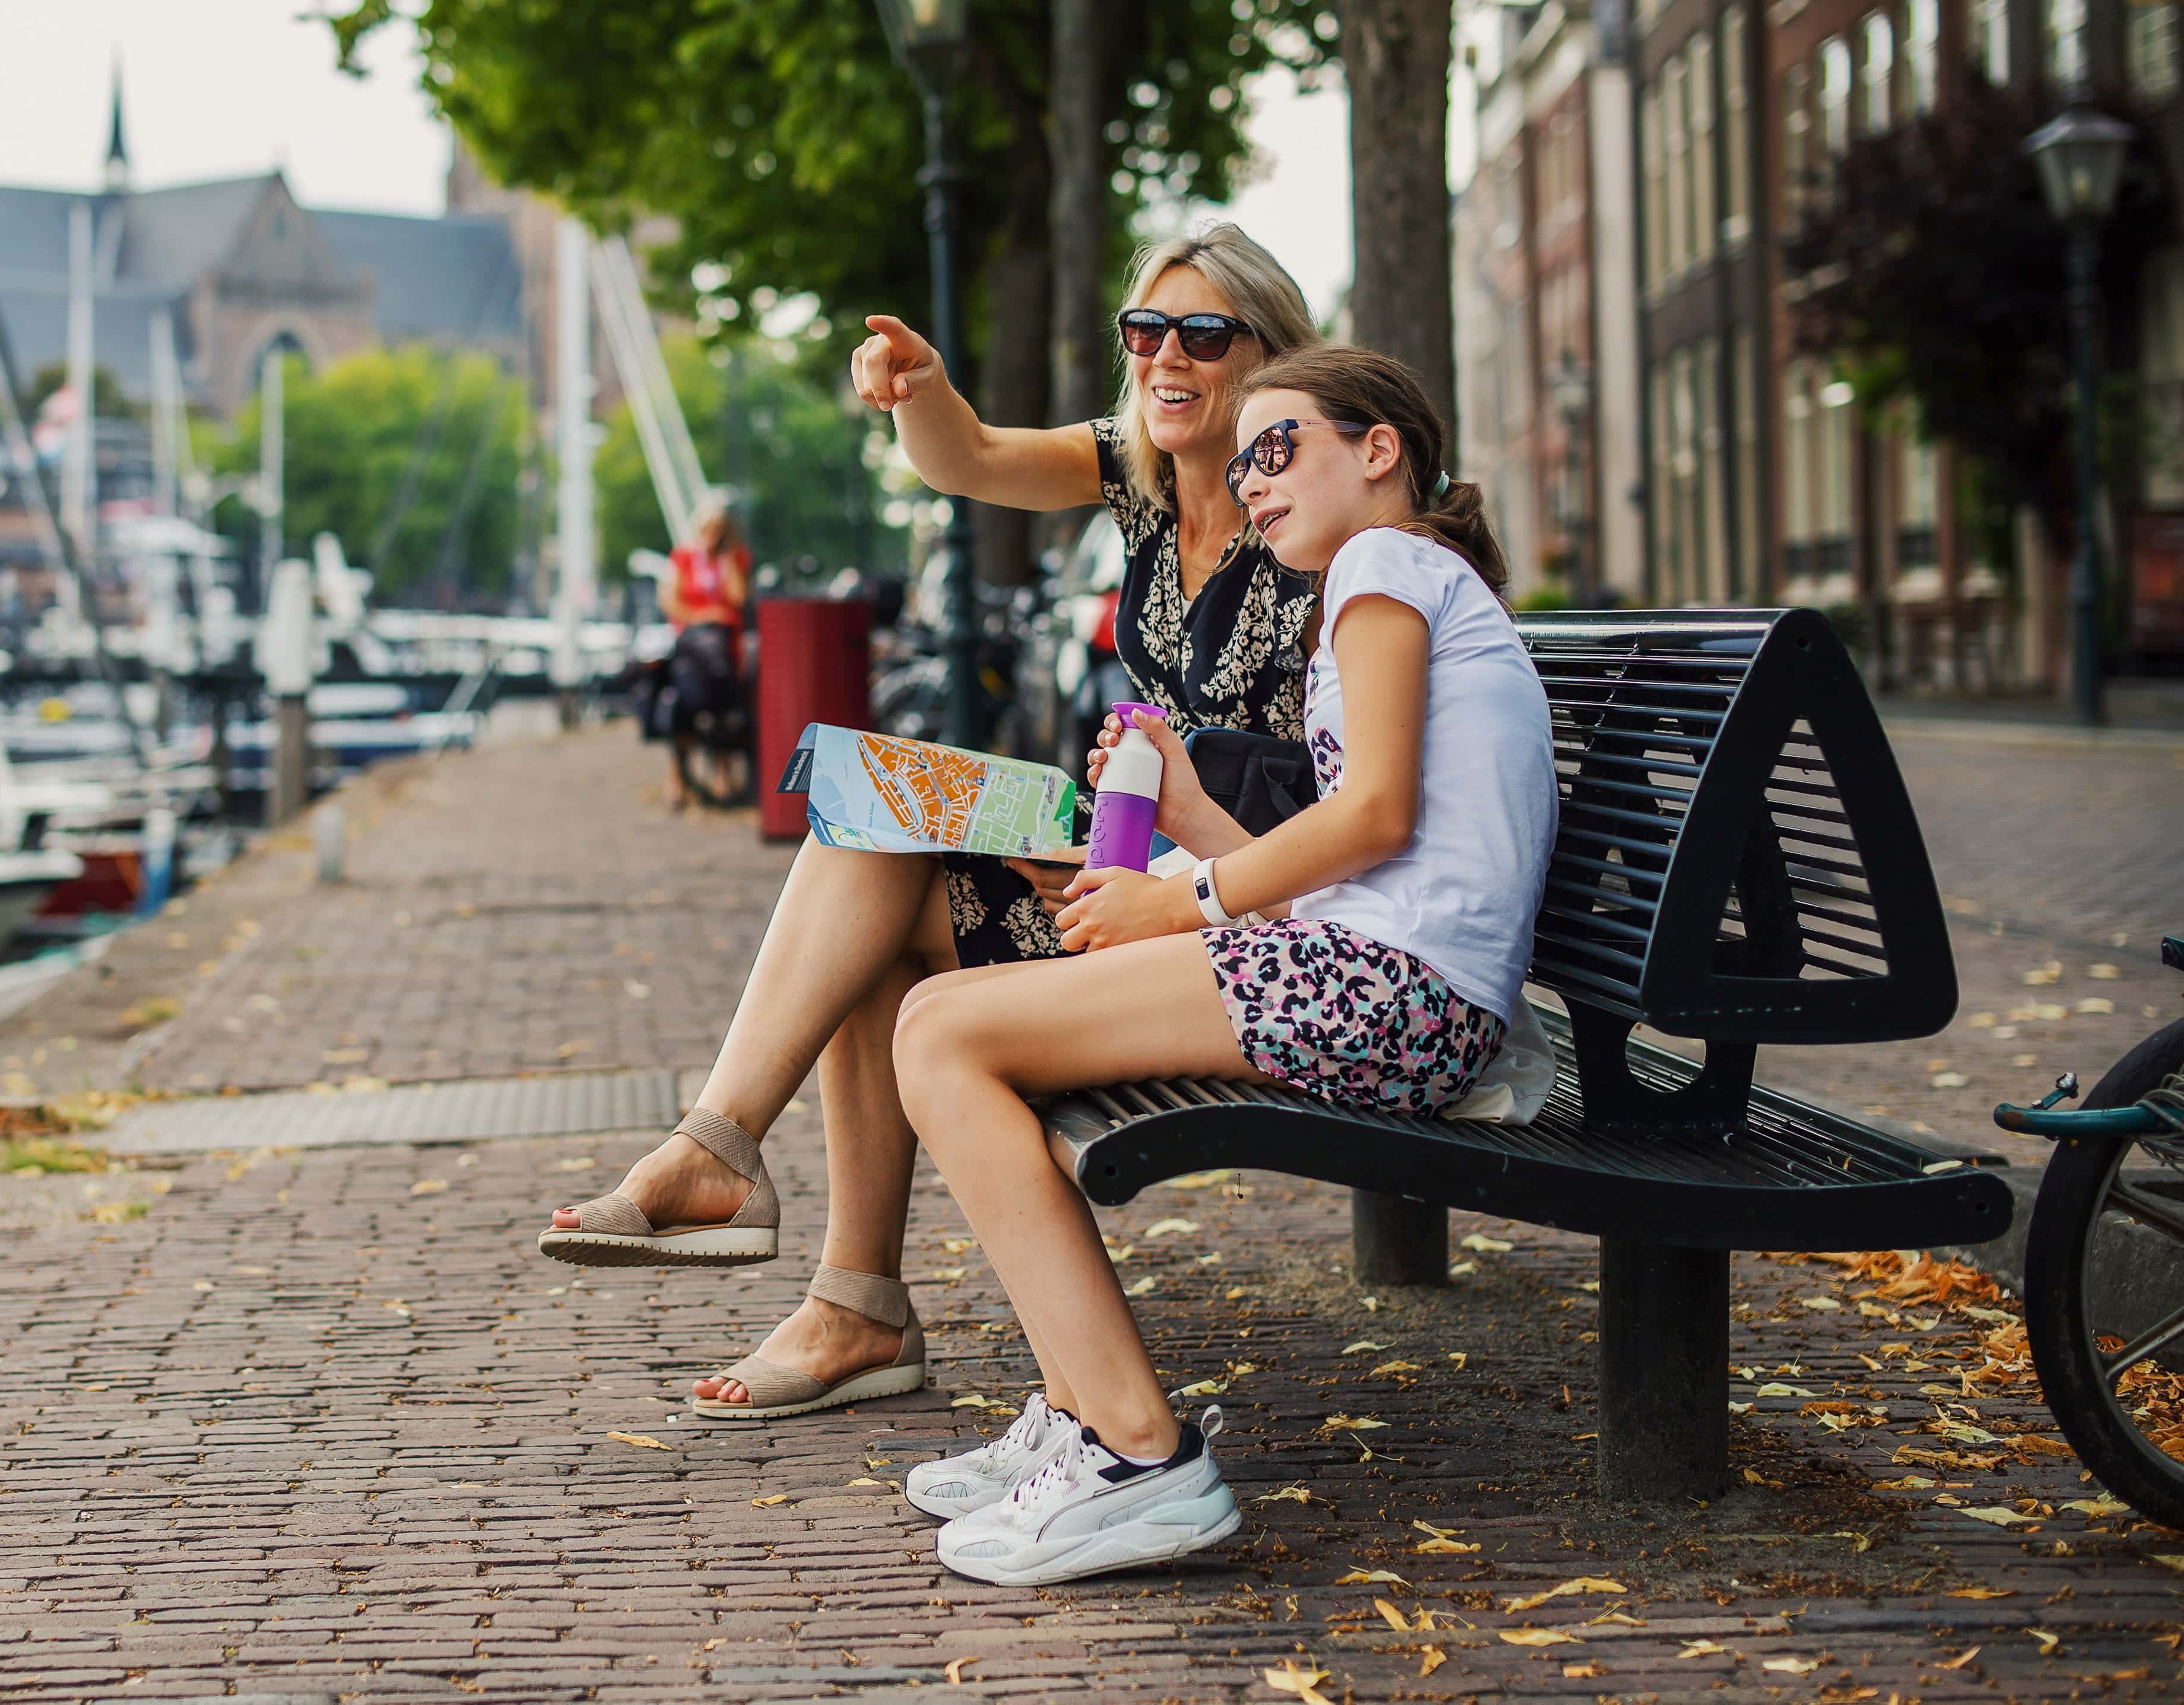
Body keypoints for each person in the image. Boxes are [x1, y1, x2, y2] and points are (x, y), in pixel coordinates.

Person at [537, 223, 1321, 1419]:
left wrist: (1138, 846)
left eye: (1203, 334)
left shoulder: (1313, 514)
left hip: (1243, 915)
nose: (1167, 357)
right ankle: (765, 1201)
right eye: (1145, 330)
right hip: (1148, 871)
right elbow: (974, 457)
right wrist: (923, 388)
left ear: (1270, 356)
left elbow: (1331, 795)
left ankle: (805, 1248)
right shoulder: (1141, 475)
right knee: (875, 830)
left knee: (885, 878)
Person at [887, 345, 1557, 1585]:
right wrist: (1193, 815)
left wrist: (1180, 899)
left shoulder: (1385, 566)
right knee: (943, 1008)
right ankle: (1083, 1414)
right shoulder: (1389, 583)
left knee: (938, 1034)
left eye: (1279, 445)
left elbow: (1377, 818)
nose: (1250, 480)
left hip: (1393, 996)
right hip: (1380, 976)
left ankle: (1137, 1452)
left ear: (1379, 449)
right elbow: (1373, 852)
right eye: (1242, 458)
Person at [654, 494, 753, 807]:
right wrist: (707, 615)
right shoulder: (683, 558)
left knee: (724, 708)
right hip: (691, 651)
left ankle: (722, 772)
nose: (713, 536)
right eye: (709, 529)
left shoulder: (735, 558)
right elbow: (671, 601)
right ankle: (676, 778)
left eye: (720, 530)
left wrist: (725, 558)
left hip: (725, 652)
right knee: (682, 705)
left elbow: (738, 598)